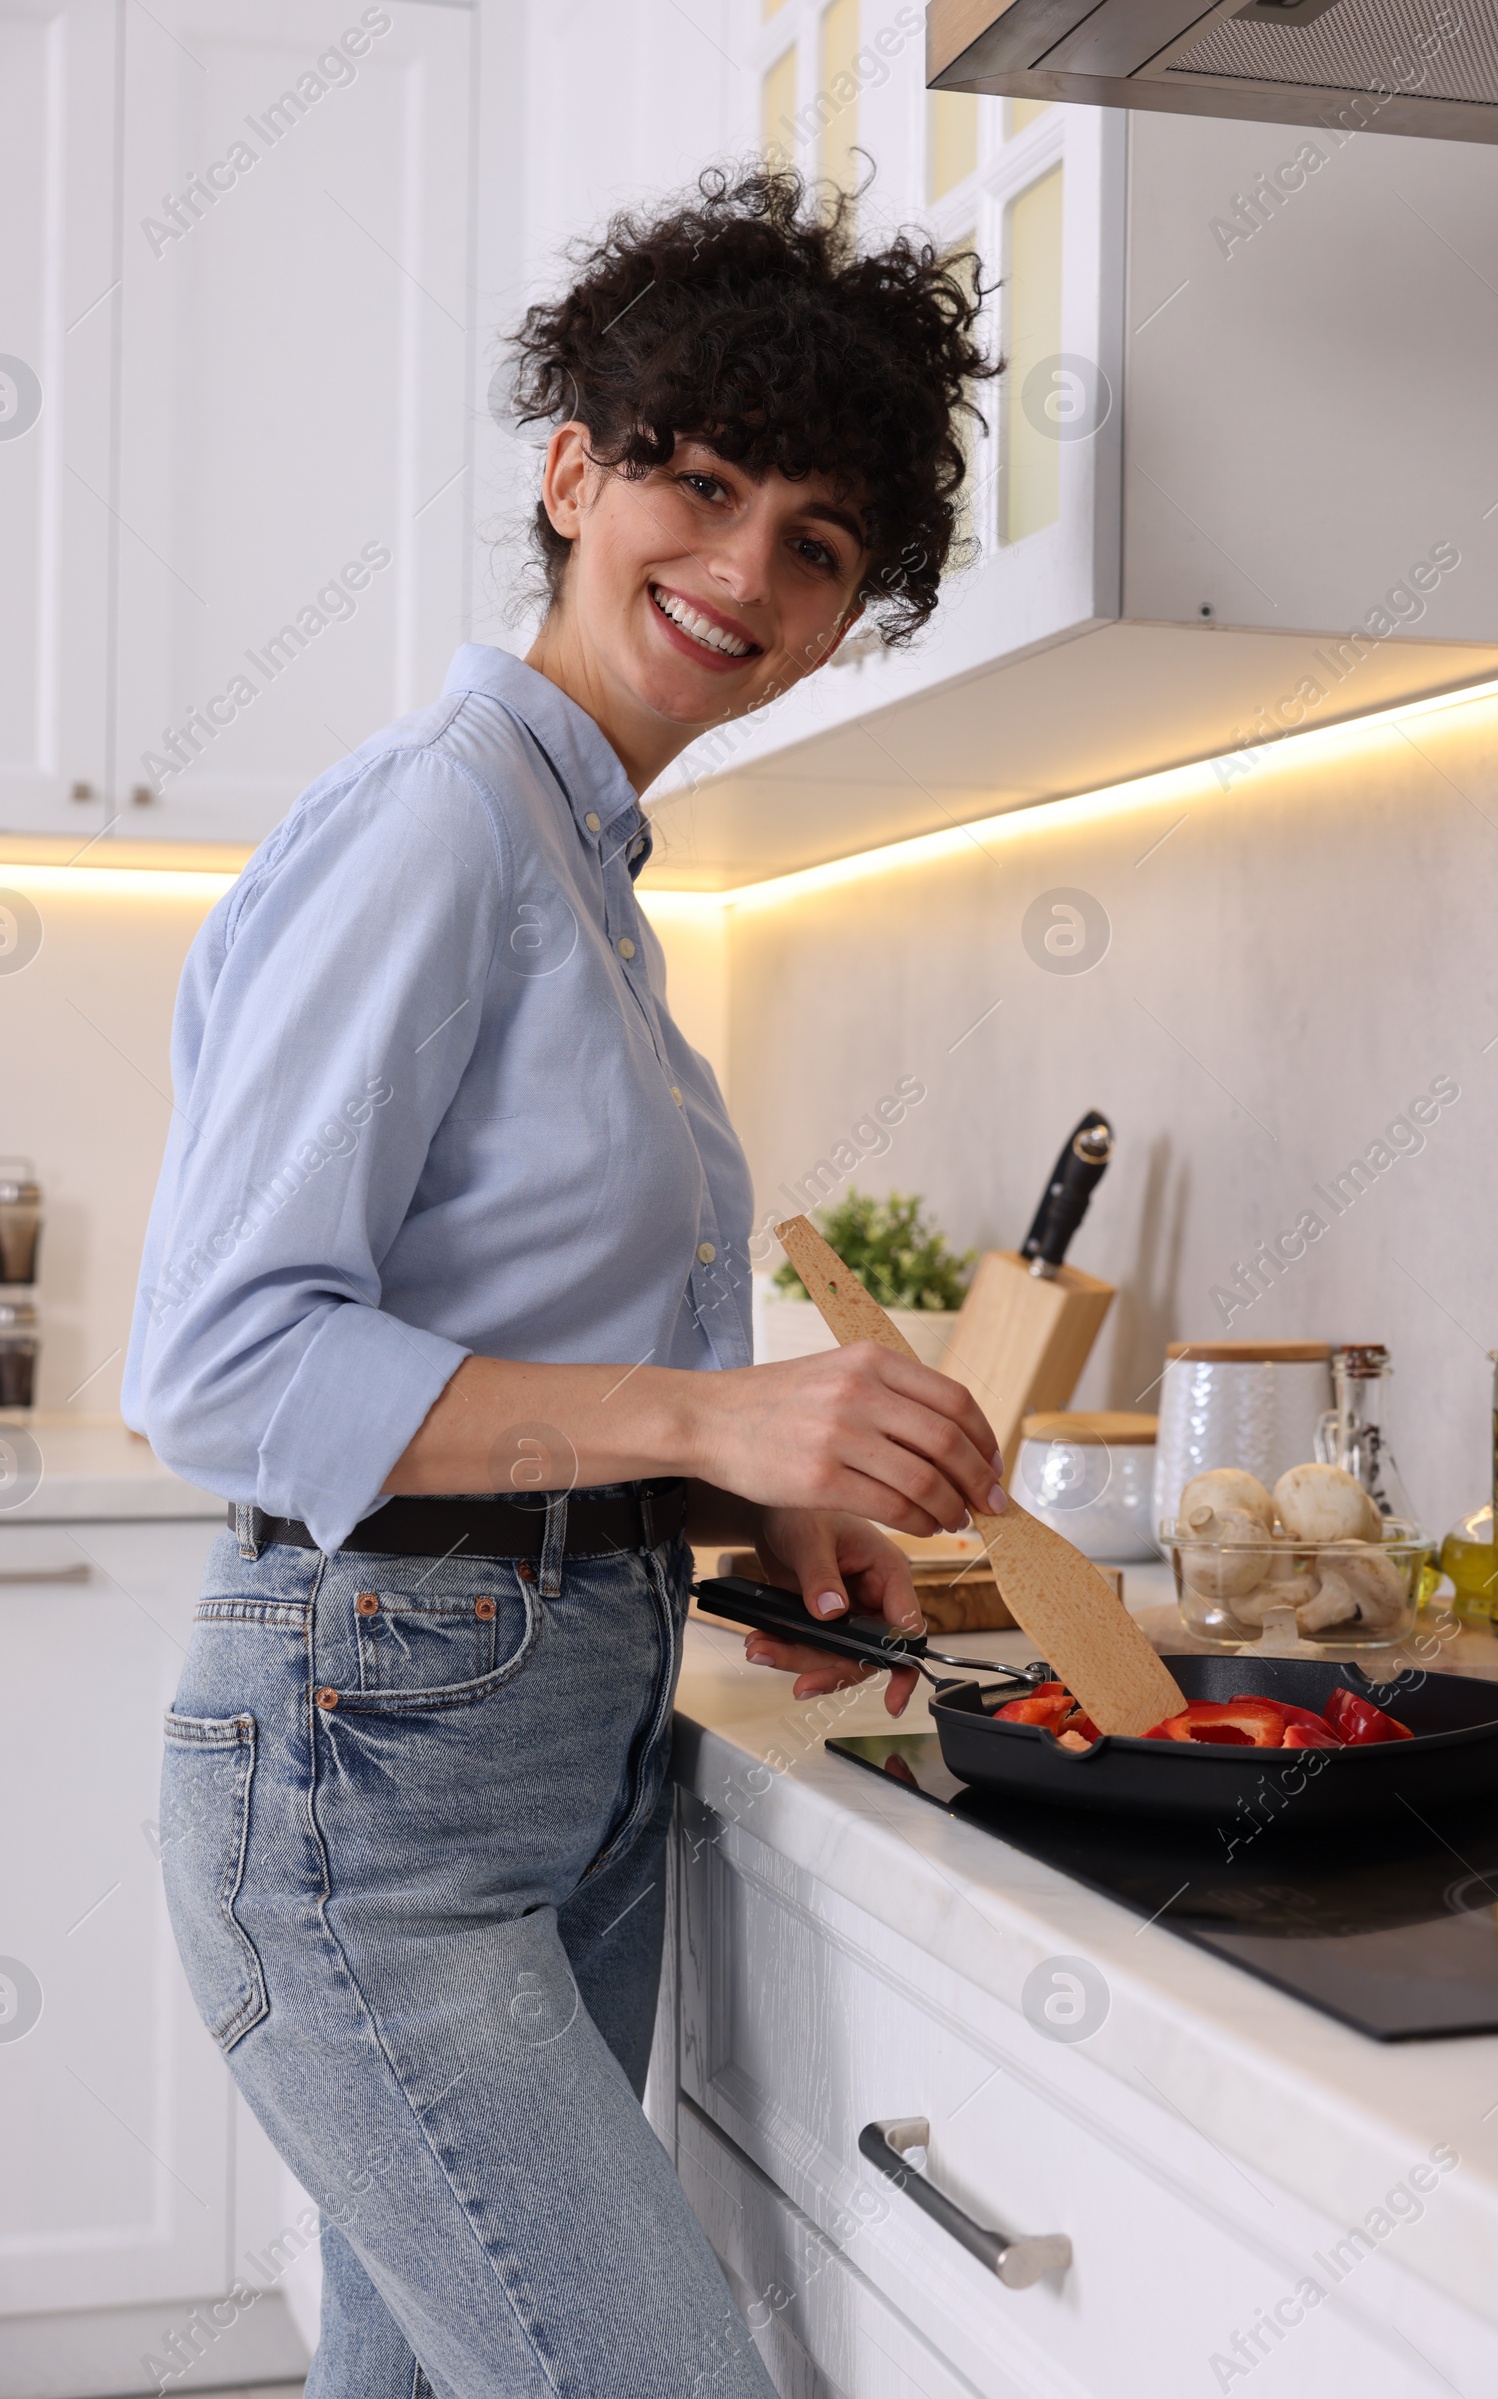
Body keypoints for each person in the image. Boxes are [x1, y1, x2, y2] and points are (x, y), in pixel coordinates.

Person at [129, 166, 1001, 2399]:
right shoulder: (439, 820)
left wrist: (732, 1500)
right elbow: (226, 1366)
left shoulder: (585, 873)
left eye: (815, 542)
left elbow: (508, 1354)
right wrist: (719, 1423)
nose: (738, 573)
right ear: (568, 472)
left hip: (547, 1736)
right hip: (372, 1782)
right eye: (695, 486)